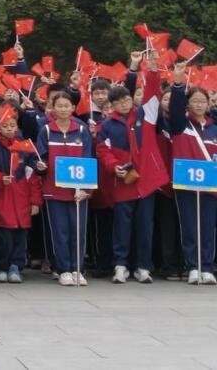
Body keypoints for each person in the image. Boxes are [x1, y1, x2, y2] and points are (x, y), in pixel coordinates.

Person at [96, 51, 167, 284]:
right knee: (122, 225)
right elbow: (102, 150)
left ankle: (143, 266)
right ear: (112, 105)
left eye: (127, 100)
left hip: (146, 179)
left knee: (145, 225)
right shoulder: (107, 125)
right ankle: (121, 265)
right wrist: (114, 166)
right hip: (124, 179)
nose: (124, 104)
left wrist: (153, 69)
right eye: (119, 102)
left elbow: (154, 93)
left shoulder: (145, 115)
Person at [36, 90, 94, 286]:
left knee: (78, 230)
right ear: (52, 108)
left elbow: (88, 159)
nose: (62, 109)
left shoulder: (82, 130)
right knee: (59, 231)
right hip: (54, 189)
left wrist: (86, 189)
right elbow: (40, 158)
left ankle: (78, 268)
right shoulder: (45, 130)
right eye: (59, 106)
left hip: (78, 191)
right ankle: (63, 269)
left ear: (73, 108)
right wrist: (41, 166)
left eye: (66, 106)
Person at [167, 60, 217, 285]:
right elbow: (176, 107)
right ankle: (192, 266)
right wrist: (177, 82)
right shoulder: (181, 125)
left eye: (202, 101)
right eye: (194, 101)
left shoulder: (214, 127)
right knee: (189, 225)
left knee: (208, 225)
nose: (198, 105)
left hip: (210, 184)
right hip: (186, 183)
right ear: (187, 105)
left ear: (208, 104)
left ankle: (206, 266)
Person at [0, 114, 41, 283]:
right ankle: (0, 266)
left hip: (22, 199)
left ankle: (16, 266)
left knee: (20, 237)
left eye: (12, 125)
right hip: (2, 198)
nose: (9, 129)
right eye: (5, 126)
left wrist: (35, 202)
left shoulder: (25, 147)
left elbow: (32, 178)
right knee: (3, 238)